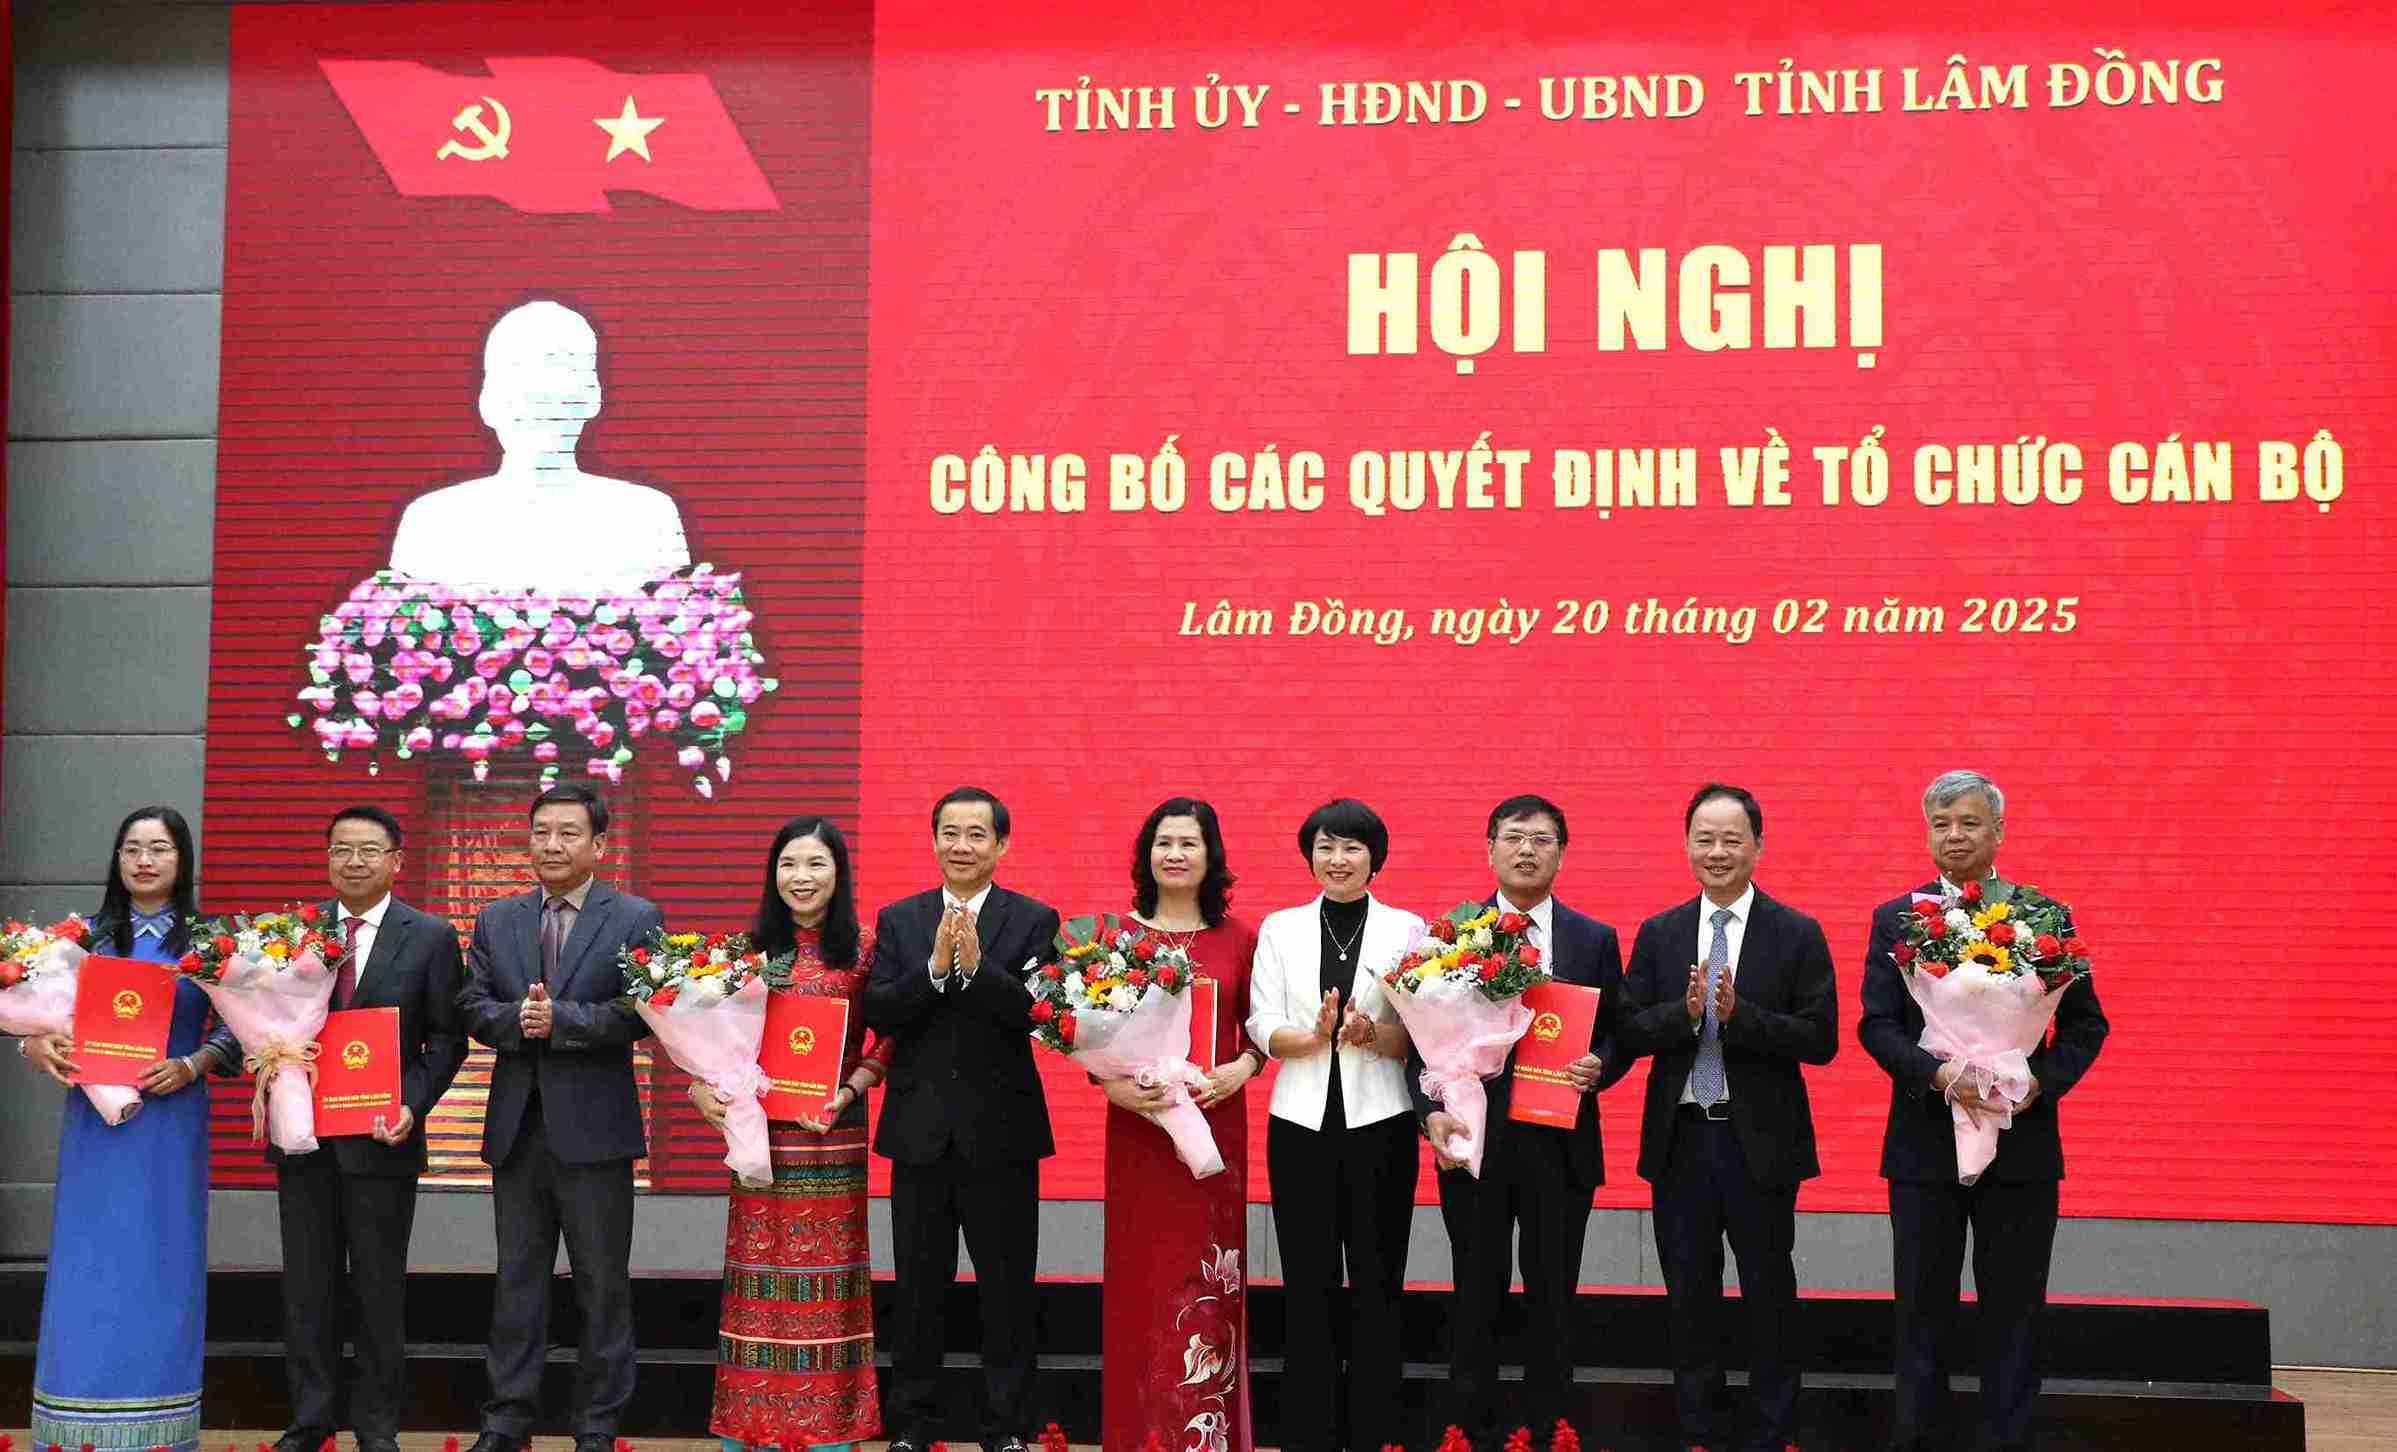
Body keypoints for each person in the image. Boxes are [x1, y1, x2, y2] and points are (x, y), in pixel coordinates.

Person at [1859, 770, 2109, 1452]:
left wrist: (2035, 1083)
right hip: (1924, 1146)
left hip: (2021, 1145)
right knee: (1921, 1309)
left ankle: (2007, 1439)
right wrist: (1937, 1074)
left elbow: (2086, 1025)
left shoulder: (2043, 917)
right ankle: (1918, 1439)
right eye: (1940, 824)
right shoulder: (1897, 918)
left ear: (1998, 831)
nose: (1954, 836)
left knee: (2015, 1311)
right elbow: (1877, 1025)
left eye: (1968, 823)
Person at [1618, 783, 1838, 1452]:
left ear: (1757, 846)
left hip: (1759, 1145)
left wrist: (1741, 1018)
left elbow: (1820, 1039)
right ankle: (1701, 1431)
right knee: (1689, 1296)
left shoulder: (1795, 932)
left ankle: (1772, 1433)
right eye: (1704, 839)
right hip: (1681, 1141)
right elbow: (1628, 1029)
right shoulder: (1659, 933)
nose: (1717, 851)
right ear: (1686, 845)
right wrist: (1684, 1015)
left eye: (1731, 839)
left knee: (1769, 1294)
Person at [1412, 794, 1628, 1449]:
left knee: (1553, 1296)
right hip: (1475, 1142)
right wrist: (1429, 1114)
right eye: (1513, 837)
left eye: (1540, 839)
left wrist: (1601, 1064)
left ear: (1561, 853)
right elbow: (1419, 1039)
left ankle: (1549, 1431)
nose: (1526, 850)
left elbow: (1618, 1031)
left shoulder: (1593, 939)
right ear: (1489, 849)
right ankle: (1467, 1431)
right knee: (1475, 1293)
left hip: (1560, 1144)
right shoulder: (1451, 934)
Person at [21, 805, 239, 1452]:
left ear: (182, 859)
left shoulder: (212, 942)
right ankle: (74, 1420)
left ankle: (158, 1423)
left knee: (163, 1256)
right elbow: (35, 1016)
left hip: (170, 1121)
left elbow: (243, 1027)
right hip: (95, 1126)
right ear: (116, 860)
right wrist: (35, 1044)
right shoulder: (80, 939)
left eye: (160, 848)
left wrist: (195, 1063)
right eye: (132, 848)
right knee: (89, 1258)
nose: (145, 860)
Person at [458, 783, 666, 1452]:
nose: (551, 844)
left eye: (568, 833)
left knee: (602, 1286)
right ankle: (506, 1421)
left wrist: (563, 1021)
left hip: (596, 1133)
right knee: (517, 1284)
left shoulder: (634, 916)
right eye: (541, 831)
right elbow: (472, 1004)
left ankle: (597, 1425)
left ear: (599, 844)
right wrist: (516, 1020)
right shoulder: (497, 918)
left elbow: (645, 1011)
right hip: (518, 1130)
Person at [861, 787, 1060, 1452]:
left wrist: (977, 970)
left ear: (1001, 845)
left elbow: (1039, 1015)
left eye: (977, 834)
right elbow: (880, 1011)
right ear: (934, 840)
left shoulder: (1033, 919)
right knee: (919, 1289)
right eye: (950, 832)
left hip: (1002, 1134)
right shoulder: (900, 919)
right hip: (918, 1132)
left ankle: (1007, 1426)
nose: (962, 846)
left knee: (1007, 1290)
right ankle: (912, 1424)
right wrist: (935, 969)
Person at [271, 805, 468, 1452]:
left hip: (383, 1140)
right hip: (303, 1137)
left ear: (396, 860)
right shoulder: (292, 936)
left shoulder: (431, 936)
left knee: (379, 1293)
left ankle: (377, 1429)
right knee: (308, 1290)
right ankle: (310, 1420)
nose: (353, 861)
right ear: (327, 857)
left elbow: (447, 1040)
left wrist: (413, 1103)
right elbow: (268, 1021)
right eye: (341, 849)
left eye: (368, 850)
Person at [692, 815, 888, 1451]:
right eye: (789, 864)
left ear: (839, 873)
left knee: (831, 1281)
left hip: (832, 1135)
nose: (801, 877)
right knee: (759, 1276)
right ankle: (751, 1428)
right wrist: (701, 1088)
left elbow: (888, 1039)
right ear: (772, 874)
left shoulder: (865, 948)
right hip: (760, 1139)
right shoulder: (745, 952)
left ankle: (828, 1430)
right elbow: (709, 1042)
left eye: (815, 864)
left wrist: (848, 1091)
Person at [1244, 798, 1422, 1452]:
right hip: (1299, 1125)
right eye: (1325, 847)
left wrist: (1370, 1032)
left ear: (1374, 857)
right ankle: (1308, 1434)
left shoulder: (1408, 929)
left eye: (1351, 847)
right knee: (1308, 1283)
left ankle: (1375, 1432)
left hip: (1382, 1123)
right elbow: (1261, 1023)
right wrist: (1313, 1035)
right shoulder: (1280, 928)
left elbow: (1425, 1034)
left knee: (1378, 1281)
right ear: (1309, 855)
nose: (1337, 859)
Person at [1097, 797, 1261, 1452]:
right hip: (1139, 1131)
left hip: (1215, 1129)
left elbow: (1257, 1031)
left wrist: (1241, 1068)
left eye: (1188, 843)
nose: (1174, 854)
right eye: (1163, 842)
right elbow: (1090, 1032)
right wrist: (1109, 1084)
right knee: (1142, 1278)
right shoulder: (1114, 937)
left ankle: (1203, 1436)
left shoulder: (1240, 939)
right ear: (1146, 855)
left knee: (1206, 1278)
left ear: (1209, 855)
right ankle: (1139, 1434)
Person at [388, 299, 690, 593]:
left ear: (593, 397)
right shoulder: (432, 520)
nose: (538, 392)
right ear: (486, 402)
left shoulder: (647, 516)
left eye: (560, 368)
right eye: (517, 369)